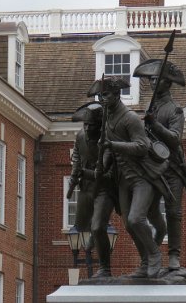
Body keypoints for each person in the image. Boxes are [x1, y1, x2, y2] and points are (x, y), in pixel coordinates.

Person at [87, 76, 172, 278]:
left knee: (136, 219)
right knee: (128, 224)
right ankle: (145, 264)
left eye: (106, 94)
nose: (102, 99)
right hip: (123, 179)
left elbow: (142, 146)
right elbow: (107, 148)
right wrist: (103, 164)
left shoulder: (130, 118)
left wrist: (112, 146)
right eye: (100, 95)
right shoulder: (107, 118)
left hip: (142, 176)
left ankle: (154, 255)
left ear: (117, 94)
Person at [134, 59, 186, 270]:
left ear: (167, 83)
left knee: (173, 212)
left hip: (172, 168)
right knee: (148, 210)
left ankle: (174, 255)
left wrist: (154, 124)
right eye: (150, 78)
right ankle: (153, 246)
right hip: (152, 167)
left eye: (156, 79)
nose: (151, 82)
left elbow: (174, 139)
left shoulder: (175, 110)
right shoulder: (150, 106)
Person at [67, 102, 115, 278]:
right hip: (87, 187)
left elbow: (102, 171)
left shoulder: (108, 140)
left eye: (91, 125)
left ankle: (105, 268)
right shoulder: (80, 136)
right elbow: (77, 156)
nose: (87, 128)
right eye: (85, 124)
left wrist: (83, 172)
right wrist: (74, 175)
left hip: (105, 188)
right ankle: (93, 241)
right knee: (83, 225)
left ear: (100, 125)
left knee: (97, 227)